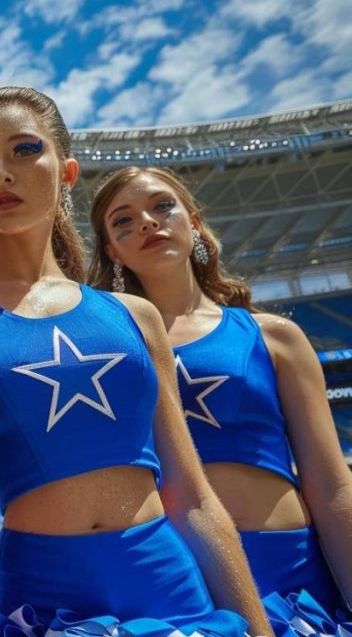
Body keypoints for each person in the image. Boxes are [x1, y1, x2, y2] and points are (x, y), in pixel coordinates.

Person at [0, 87, 271, 637]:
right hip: (40, 596)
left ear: (67, 171)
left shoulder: (134, 316)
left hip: (165, 582)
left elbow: (193, 495)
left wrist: (258, 629)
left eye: (24, 149)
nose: (1, 173)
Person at [88, 165, 352, 632]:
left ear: (194, 221)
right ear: (113, 252)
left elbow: (331, 486)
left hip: (293, 577)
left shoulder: (274, 337)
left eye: (162, 206)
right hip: (175, 582)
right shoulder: (102, 353)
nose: (147, 222)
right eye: (122, 221)